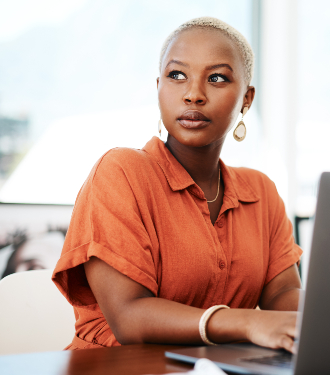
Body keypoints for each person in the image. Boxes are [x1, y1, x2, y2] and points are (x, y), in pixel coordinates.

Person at [52, 17, 303, 353]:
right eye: (177, 75)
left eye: (216, 78)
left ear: (247, 98)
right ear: (159, 86)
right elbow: (129, 318)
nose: (193, 94)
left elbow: (283, 295)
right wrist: (248, 322)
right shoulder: (120, 173)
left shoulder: (261, 192)